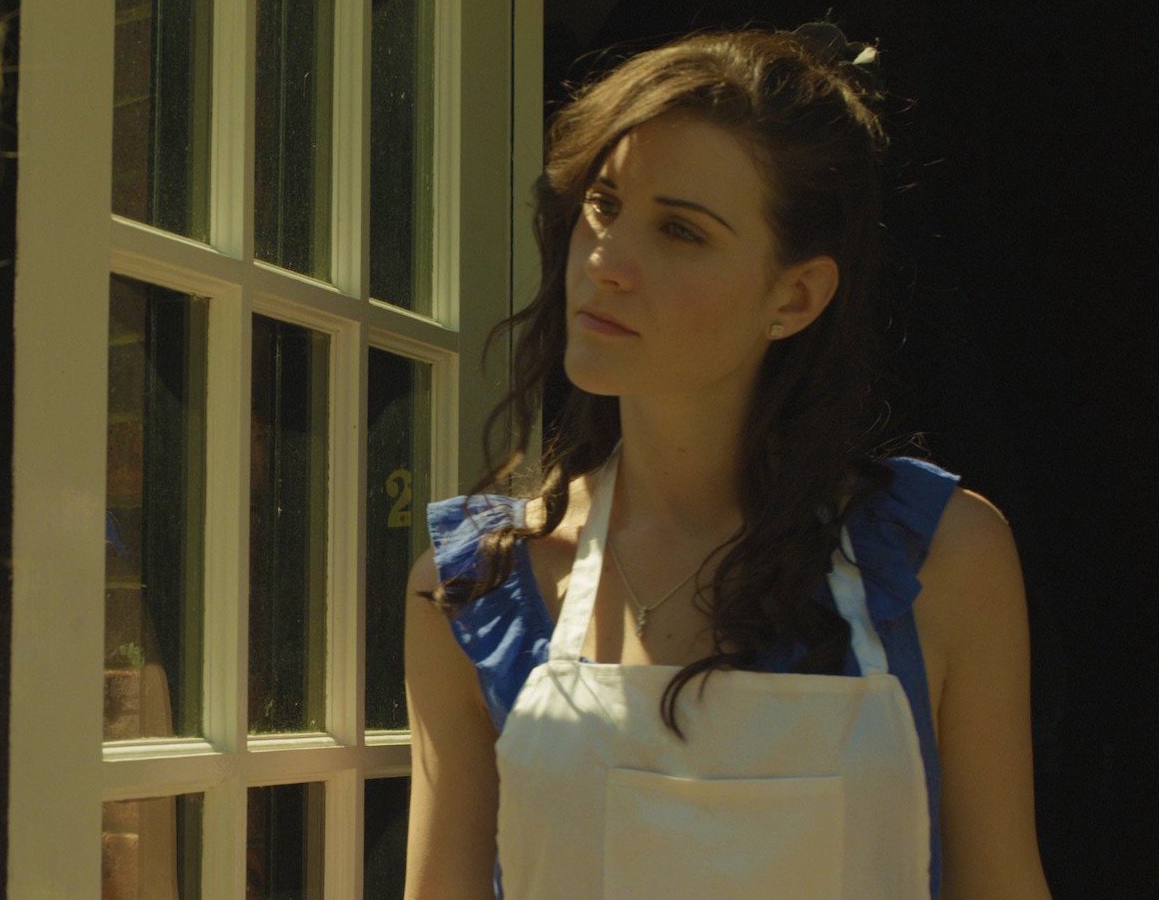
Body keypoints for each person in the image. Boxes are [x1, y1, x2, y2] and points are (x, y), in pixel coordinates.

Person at [402, 25, 1048, 900]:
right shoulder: (481, 587)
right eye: (604, 205)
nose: (605, 262)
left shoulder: (940, 559)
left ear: (795, 296)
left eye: (680, 231)